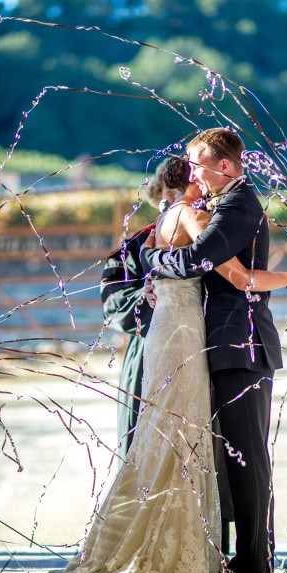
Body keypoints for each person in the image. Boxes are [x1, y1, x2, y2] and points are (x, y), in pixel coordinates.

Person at [1, 154, 287, 573]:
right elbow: (227, 274)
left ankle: (199, 546)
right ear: (181, 191)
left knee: (188, 445)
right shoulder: (176, 224)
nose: (202, 192)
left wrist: (158, 264)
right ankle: (202, 549)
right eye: (193, 184)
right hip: (164, 348)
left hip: (191, 345)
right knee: (174, 442)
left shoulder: (157, 235)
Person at [140, 128, 287, 573]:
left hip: (241, 344)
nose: (195, 174)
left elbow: (203, 257)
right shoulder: (222, 203)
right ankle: (241, 555)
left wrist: (152, 261)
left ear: (224, 166)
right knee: (230, 456)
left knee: (246, 455)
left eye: (199, 165)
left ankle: (254, 564)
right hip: (220, 342)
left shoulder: (240, 202)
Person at [101, 159, 182, 459]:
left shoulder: (212, 243)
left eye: (182, 193)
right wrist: (148, 297)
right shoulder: (134, 247)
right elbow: (114, 304)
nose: (174, 202)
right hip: (146, 357)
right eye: (168, 195)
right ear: (159, 196)